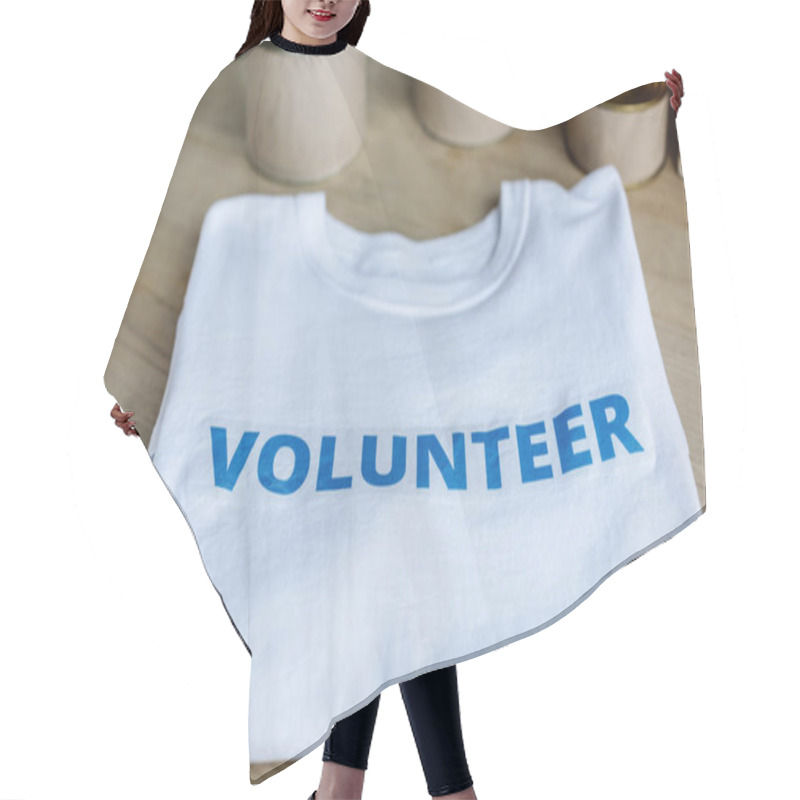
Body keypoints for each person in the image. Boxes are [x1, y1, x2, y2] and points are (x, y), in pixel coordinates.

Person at [110, 4, 686, 798]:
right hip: (295, 368)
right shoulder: (237, 92)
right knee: (396, 558)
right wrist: (153, 376)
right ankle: (430, 790)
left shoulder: (378, 90)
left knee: (396, 556)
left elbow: (496, 166)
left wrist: (632, 131)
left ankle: (349, 788)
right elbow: (186, 240)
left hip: (387, 354)